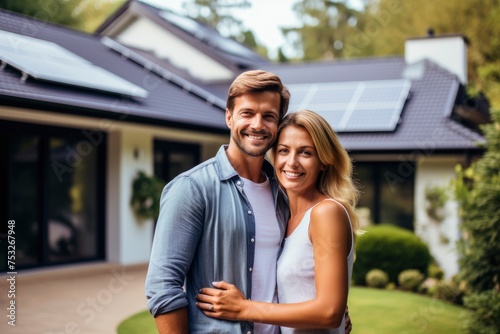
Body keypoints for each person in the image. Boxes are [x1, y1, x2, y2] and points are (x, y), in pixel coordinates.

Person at [145, 70, 352, 333]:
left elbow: (304, 278)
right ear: (229, 116)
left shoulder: (284, 192)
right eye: (247, 113)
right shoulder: (193, 188)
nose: (257, 124)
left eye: (268, 116)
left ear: (277, 125)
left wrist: (329, 313)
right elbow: (163, 286)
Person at [195, 109, 361, 333]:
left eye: (305, 153)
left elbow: (329, 312)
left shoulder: (326, 213)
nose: (292, 162)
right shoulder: (285, 215)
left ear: (323, 161)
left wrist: (244, 308)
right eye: (283, 151)